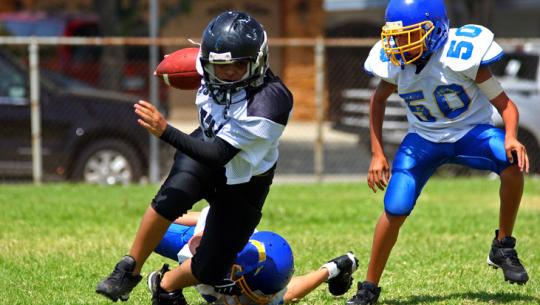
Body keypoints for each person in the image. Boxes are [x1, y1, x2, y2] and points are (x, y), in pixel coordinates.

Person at [96, 11, 294, 303]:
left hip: (244, 176)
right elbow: (185, 67)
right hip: (206, 143)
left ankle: (165, 285)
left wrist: (166, 131)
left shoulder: (270, 101)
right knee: (171, 197)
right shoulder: (207, 64)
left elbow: (219, 155)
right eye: (219, 65)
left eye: (238, 65)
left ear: (259, 61)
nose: (227, 72)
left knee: (212, 268)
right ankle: (128, 269)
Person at [346, 1, 530, 304]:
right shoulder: (396, 62)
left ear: (435, 30)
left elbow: (506, 106)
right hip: (423, 140)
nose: (399, 44)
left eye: (409, 35)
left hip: (472, 134)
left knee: (511, 163)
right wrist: (378, 154)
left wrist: (511, 136)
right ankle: (368, 288)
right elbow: (377, 101)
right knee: (395, 206)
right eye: (396, 36)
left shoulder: (460, 55)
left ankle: (503, 245)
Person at [148, 206, 359, 305]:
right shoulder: (218, 250)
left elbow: (289, 292)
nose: (263, 300)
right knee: (153, 232)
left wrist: (332, 269)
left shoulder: (268, 283)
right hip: (196, 238)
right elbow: (208, 215)